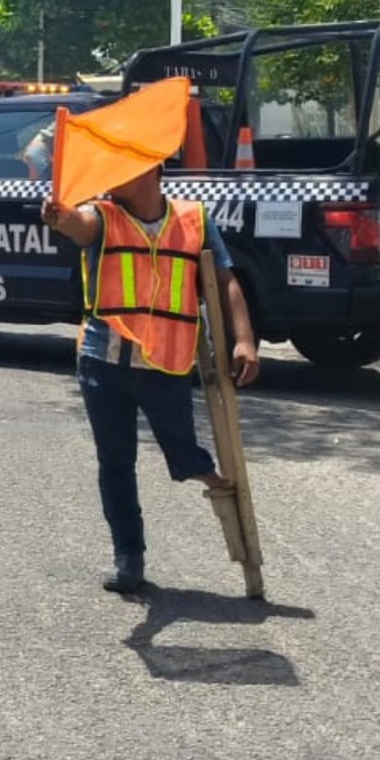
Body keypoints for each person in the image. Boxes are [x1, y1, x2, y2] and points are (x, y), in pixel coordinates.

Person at [41, 160, 260, 596]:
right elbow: (78, 226)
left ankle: (212, 480)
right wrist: (60, 218)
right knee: (116, 461)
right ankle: (129, 557)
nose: (112, 177)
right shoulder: (102, 215)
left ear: (151, 171)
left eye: (123, 168)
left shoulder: (194, 218)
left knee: (182, 450)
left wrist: (244, 340)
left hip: (166, 365)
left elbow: (224, 281)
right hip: (104, 363)